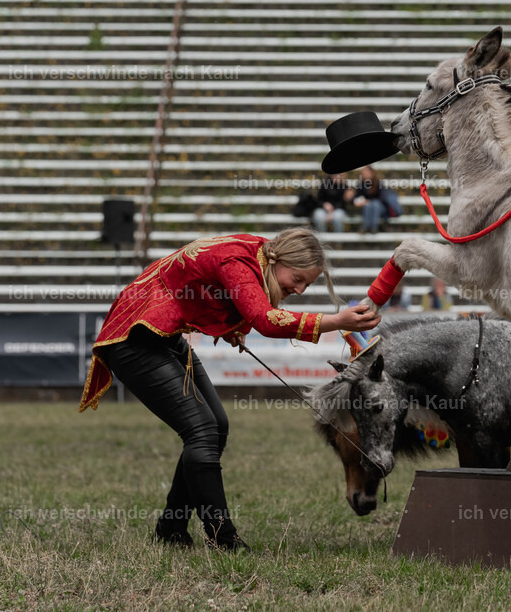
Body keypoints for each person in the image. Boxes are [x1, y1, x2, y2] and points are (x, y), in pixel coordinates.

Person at [80, 229, 381, 551]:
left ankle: (171, 529)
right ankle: (223, 538)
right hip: (135, 341)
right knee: (202, 431)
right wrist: (336, 321)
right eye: (297, 278)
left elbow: (204, 287)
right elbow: (264, 319)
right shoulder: (238, 260)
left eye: (307, 283)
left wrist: (229, 325)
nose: (299, 289)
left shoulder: (253, 251)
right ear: (278, 260)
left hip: (161, 337)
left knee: (215, 427)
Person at [353, 166, 401, 234]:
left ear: (371, 173)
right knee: (368, 205)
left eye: (366, 172)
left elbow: (383, 198)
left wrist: (369, 201)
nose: (364, 174)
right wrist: (360, 201)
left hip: (380, 208)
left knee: (375, 204)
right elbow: (356, 197)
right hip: (367, 208)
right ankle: (367, 227)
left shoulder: (378, 183)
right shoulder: (360, 185)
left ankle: (373, 227)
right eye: (363, 173)